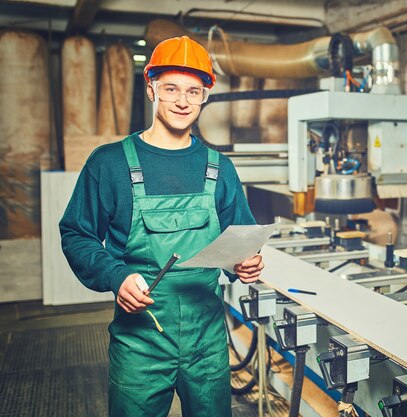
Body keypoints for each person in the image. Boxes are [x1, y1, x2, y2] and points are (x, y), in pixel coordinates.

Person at [59, 35, 263, 417]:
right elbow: (77, 232)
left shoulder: (220, 168)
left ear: (205, 97)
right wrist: (116, 276)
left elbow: (241, 238)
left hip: (207, 340)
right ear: (151, 87)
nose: (183, 101)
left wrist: (245, 263)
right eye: (171, 88)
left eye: (194, 91)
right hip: (141, 341)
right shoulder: (110, 163)